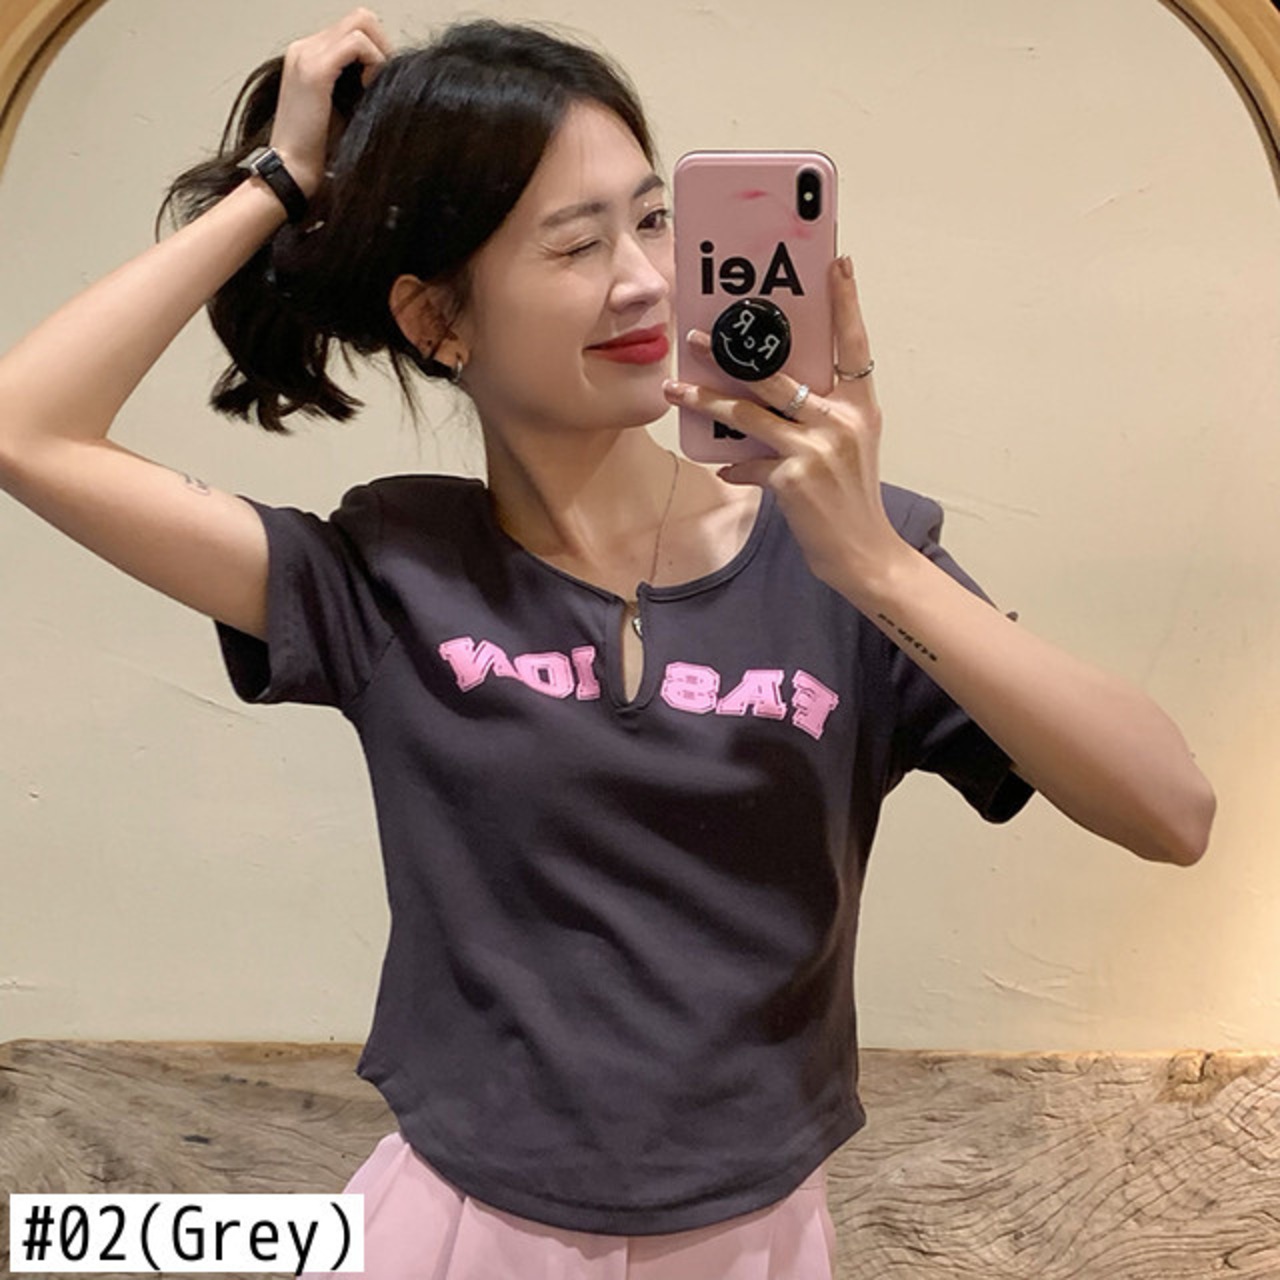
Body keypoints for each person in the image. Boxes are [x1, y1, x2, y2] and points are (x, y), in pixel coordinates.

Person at [0, 9, 1216, 1278]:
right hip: (456, 1232)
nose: (643, 278)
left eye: (652, 219)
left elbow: (1169, 808)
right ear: (437, 320)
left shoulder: (843, 554)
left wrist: (873, 560)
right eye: (576, 243)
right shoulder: (391, 571)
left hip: (755, 1236)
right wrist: (283, 179)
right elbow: (28, 427)